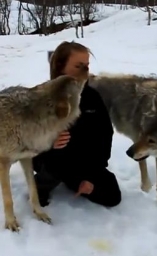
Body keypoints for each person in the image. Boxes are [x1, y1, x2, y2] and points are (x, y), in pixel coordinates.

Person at [32, 41, 121, 208]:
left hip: (82, 163)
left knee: (112, 196)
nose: (86, 71)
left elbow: (105, 135)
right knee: (57, 159)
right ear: (61, 66)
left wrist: (93, 176)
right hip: (51, 160)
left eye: (87, 65)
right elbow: (29, 138)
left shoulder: (92, 97)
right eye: (79, 66)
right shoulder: (43, 96)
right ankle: (40, 187)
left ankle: (79, 182)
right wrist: (50, 143)